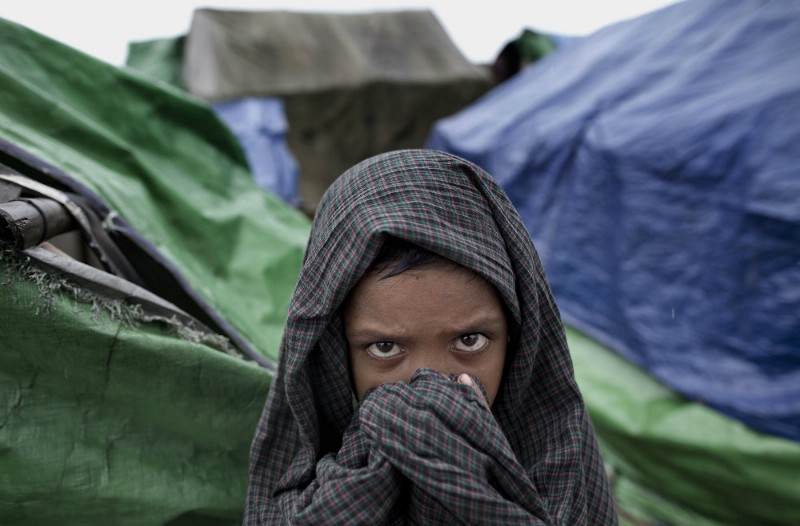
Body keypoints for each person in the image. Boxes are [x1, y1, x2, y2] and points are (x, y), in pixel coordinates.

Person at [244, 149, 618, 524]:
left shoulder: (562, 462)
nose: (435, 385)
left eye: (470, 341)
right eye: (385, 347)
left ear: (519, 340)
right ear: (333, 354)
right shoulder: (299, 500)